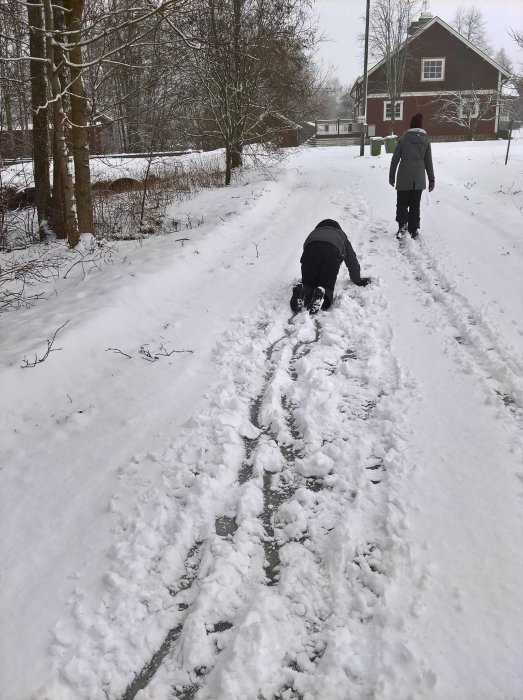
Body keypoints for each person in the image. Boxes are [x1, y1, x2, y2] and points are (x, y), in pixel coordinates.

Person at [290, 219, 370, 314]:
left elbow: (307, 251)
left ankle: (303, 291)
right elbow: (351, 260)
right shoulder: (341, 236)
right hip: (331, 254)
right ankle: (322, 295)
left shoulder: (314, 233)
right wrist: (357, 279)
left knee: (308, 282)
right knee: (327, 285)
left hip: (309, 253)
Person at [389, 112, 435, 240]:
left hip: (404, 177)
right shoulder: (426, 141)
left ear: (411, 126)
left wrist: (391, 176)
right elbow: (428, 162)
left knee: (402, 203)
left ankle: (402, 226)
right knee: (415, 205)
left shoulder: (403, 139)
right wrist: (431, 179)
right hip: (418, 179)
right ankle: (413, 229)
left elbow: (395, 159)